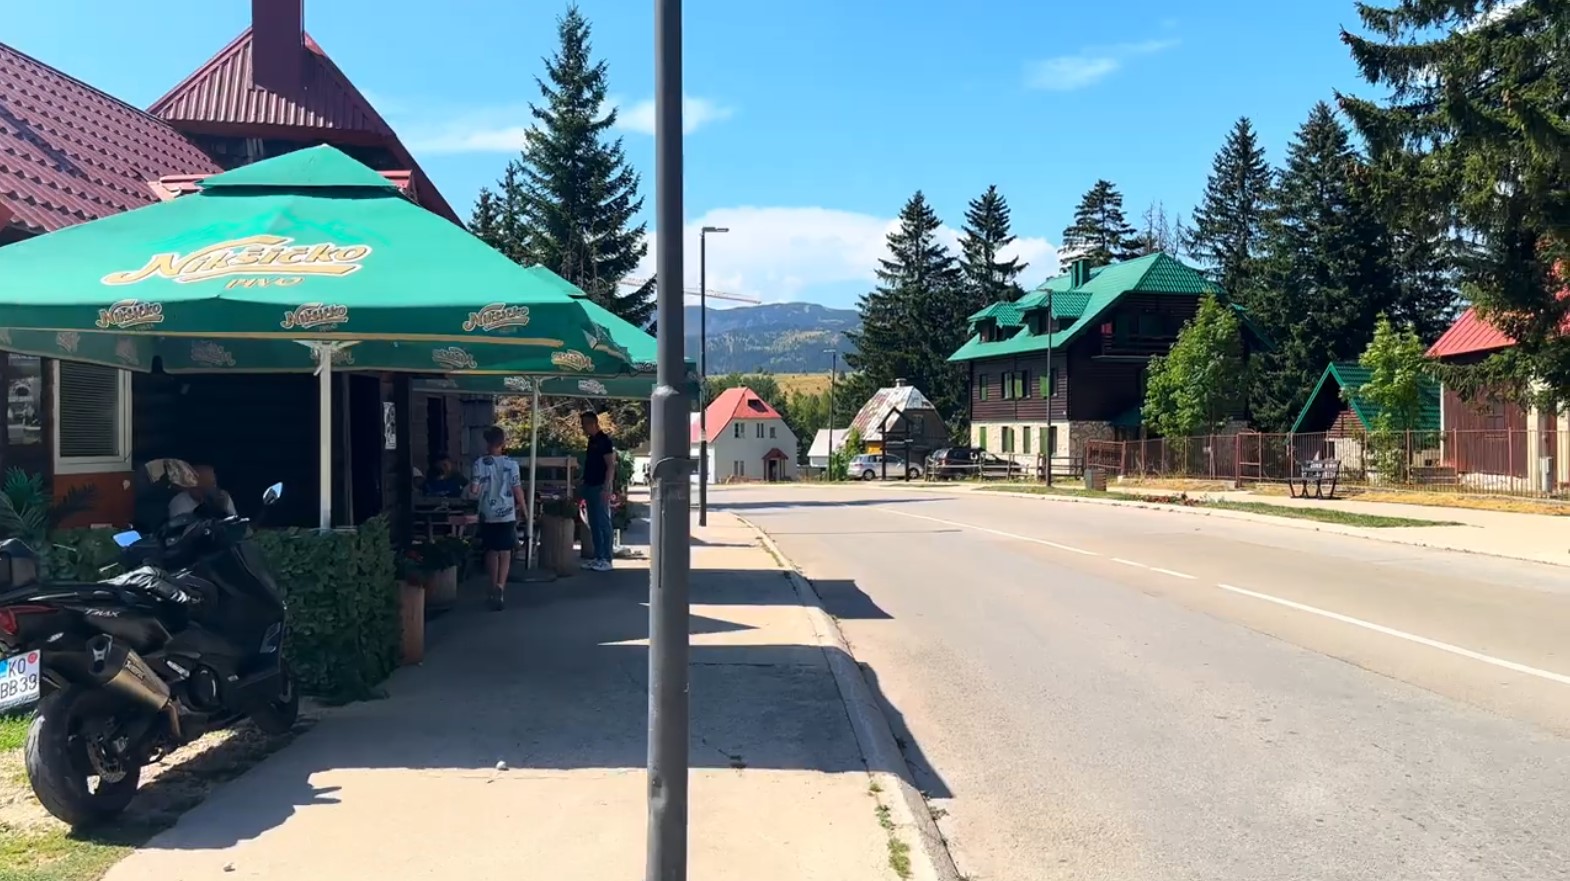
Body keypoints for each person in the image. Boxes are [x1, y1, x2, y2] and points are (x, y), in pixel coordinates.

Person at [469, 426, 524, 611]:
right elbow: (517, 489)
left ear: (487, 443)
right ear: (503, 443)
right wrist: (524, 508)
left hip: (488, 512)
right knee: (506, 551)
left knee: (491, 550)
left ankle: (492, 586)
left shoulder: (479, 464)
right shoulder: (512, 464)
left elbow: (474, 490)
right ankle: (501, 585)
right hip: (507, 511)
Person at [579, 410, 617, 572]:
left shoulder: (604, 441)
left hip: (600, 486)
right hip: (589, 484)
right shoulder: (591, 441)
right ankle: (598, 556)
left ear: (592, 423)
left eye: (584, 424)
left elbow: (610, 465)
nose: (582, 428)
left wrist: (607, 487)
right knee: (593, 523)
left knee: (602, 522)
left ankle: (607, 558)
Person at [169, 464, 237, 520]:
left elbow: (233, 524)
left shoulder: (222, 497)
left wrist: (222, 508)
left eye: (213, 484)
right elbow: (183, 530)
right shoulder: (179, 502)